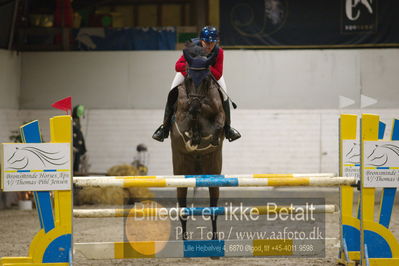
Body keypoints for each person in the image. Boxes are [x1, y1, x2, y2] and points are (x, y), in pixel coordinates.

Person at [152, 26, 241, 142]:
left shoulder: (219, 52)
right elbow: (177, 66)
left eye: (212, 42)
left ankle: (228, 128)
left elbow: (218, 74)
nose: (209, 46)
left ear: (216, 42)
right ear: (201, 40)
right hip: (190, 73)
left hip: (210, 75)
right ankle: (165, 127)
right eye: (207, 42)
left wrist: (204, 66)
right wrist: (192, 69)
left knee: (224, 95)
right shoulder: (192, 48)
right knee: (172, 91)